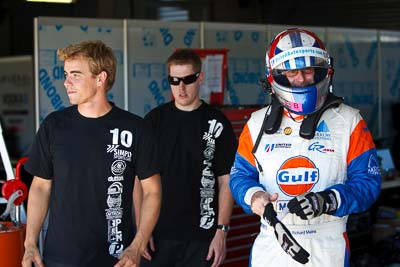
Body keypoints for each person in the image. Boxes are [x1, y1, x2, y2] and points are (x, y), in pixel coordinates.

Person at [229, 28, 382, 267]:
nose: (301, 79)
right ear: (276, 75)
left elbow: (368, 183)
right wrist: (254, 196)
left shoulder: (350, 121)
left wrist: (327, 200)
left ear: (323, 71)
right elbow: (240, 176)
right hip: (272, 241)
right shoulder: (257, 123)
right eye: (291, 72)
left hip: (326, 243)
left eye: (308, 70)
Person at [21, 40, 161, 267]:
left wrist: (137, 245)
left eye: (75, 74)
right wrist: (30, 244)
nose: (66, 82)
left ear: (100, 78)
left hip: (116, 259)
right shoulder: (54, 126)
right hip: (60, 258)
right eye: (65, 74)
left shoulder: (135, 128)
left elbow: (152, 191)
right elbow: (40, 186)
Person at [139, 48, 237, 267]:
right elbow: (139, 179)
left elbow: (226, 180)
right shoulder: (154, 121)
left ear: (200, 78)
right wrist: (140, 231)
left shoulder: (217, 122)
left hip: (202, 237)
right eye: (174, 81)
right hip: (157, 235)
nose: (181, 87)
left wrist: (222, 231)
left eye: (187, 79)